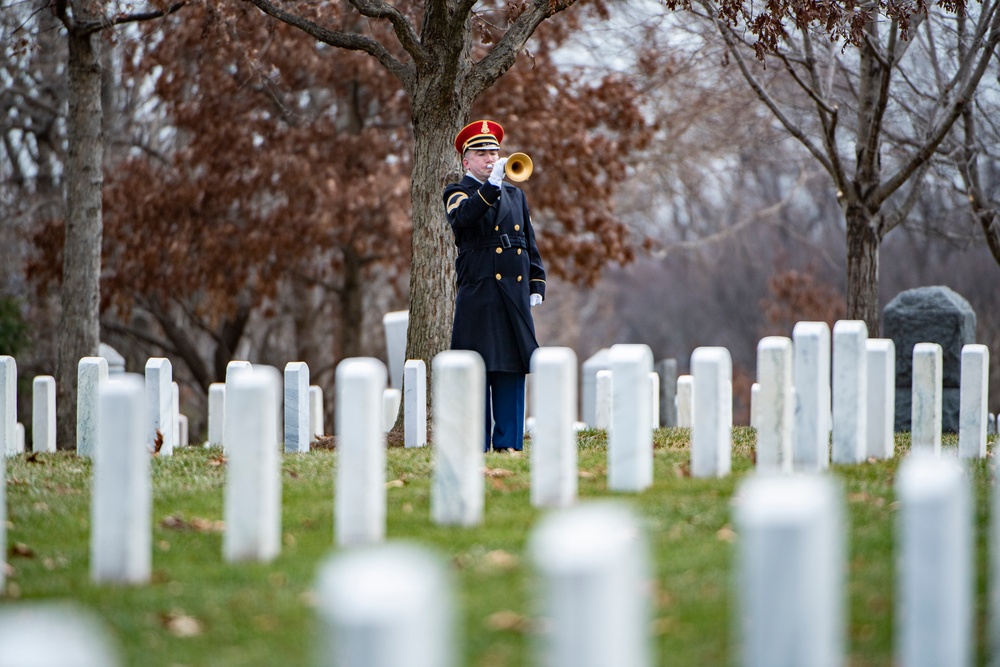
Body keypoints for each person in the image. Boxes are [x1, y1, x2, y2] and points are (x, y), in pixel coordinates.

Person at [443, 119, 546, 452]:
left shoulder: (516, 195)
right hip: (482, 293)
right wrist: (493, 186)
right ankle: (476, 445)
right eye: (482, 153)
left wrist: (536, 281)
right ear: (466, 160)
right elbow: (464, 218)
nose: (490, 159)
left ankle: (509, 445)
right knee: (479, 370)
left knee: (512, 369)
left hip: (513, 296)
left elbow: (526, 242)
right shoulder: (458, 192)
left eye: (494, 152)